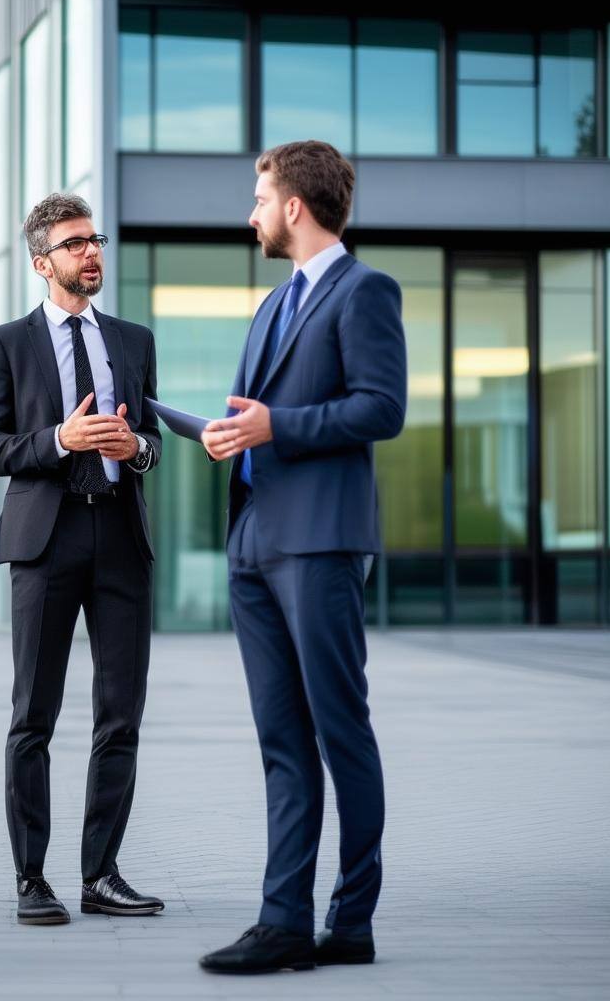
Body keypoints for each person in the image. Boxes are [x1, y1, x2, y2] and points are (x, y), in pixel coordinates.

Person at [198, 142, 407, 974]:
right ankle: (282, 922)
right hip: (255, 540)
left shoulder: (366, 291)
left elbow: (380, 409)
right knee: (281, 742)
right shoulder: (271, 306)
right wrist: (232, 434)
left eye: (259, 196)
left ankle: (349, 921)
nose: (250, 211)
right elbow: (262, 413)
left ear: (293, 206)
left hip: (321, 543)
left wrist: (275, 426)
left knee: (339, 731)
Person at [0, 193, 164, 926]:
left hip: (119, 537)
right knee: (35, 716)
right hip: (44, 543)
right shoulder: (6, 343)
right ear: (41, 262)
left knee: (121, 714)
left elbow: (149, 434)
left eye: (96, 240)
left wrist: (133, 447)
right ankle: (31, 879)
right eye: (76, 243)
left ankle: (101, 874)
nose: (92, 252)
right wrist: (60, 441)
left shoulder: (134, 340)